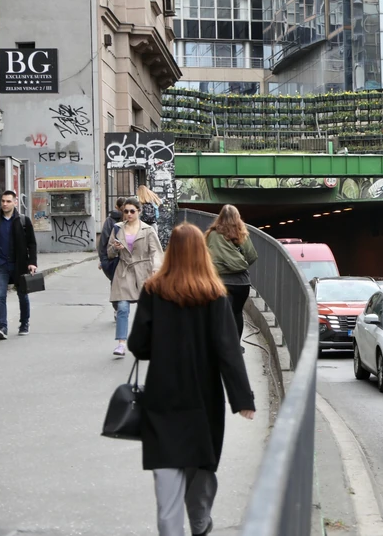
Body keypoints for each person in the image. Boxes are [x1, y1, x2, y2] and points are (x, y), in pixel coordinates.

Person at [128, 223, 256, 536]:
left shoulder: (152, 291)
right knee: (201, 465)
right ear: (203, 253)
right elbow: (229, 352)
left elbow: (138, 346)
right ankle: (199, 519)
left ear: (171, 252)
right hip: (204, 399)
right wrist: (243, 400)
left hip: (162, 398)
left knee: (167, 480)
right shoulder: (215, 295)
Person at [108, 196, 163, 357]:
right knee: (122, 307)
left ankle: (151, 340)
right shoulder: (117, 229)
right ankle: (121, 343)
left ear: (139, 211)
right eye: (126, 211)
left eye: (132, 211)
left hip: (144, 271)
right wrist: (115, 248)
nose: (129, 214)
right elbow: (109, 253)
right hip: (124, 270)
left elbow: (156, 252)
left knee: (147, 309)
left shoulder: (147, 230)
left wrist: (156, 269)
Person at [205, 205, 257, 346]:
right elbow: (251, 256)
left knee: (221, 316)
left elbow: (205, 257)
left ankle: (222, 346)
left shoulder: (212, 235)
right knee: (237, 313)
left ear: (220, 217)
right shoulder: (242, 234)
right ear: (237, 218)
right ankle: (236, 346)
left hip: (220, 282)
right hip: (242, 283)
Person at [0, 190, 37, 340]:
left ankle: (24, 323)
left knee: (22, 295)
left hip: (20, 264)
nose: (5, 204)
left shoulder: (23, 221)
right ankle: (2, 327)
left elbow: (32, 244)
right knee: (0, 296)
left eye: (8, 201)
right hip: (0, 265)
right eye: (3, 201)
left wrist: (32, 262)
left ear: (15, 202)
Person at [99, 197, 126, 311]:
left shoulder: (110, 220)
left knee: (116, 284)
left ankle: (118, 309)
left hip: (114, 259)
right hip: (119, 258)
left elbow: (103, 242)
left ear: (116, 207)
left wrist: (102, 259)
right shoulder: (129, 221)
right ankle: (120, 309)